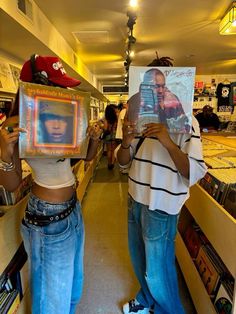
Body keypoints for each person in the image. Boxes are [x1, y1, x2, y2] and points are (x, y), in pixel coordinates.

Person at [0, 54, 102, 314]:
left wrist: (93, 138)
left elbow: (87, 157)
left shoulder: (67, 116)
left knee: (72, 288)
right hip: (47, 216)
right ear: (37, 85)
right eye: (58, 86)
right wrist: (3, 153)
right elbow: (11, 184)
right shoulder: (15, 127)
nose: (64, 92)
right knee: (51, 301)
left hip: (72, 209)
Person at [116, 64, 207, 314]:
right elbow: (123, 164)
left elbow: (195, 172)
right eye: (151, 85)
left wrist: (168, 142)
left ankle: (170, 310)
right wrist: (125, 142)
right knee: (138, 258)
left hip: (162, 204)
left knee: (157, 269)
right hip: (136, 197)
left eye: (162, 85)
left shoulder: (188, 120)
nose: (157, 90)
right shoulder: (136, 116)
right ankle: (146, 300)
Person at [128, 68, 190, 133]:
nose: (160, 91)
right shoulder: (135, 100)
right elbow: (134, 128)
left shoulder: (172, 100)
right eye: (156, 86)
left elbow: (185, 126)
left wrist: (165, 110)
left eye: (163, 86)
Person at [102, 104, 118, 170]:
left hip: (108, 136)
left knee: (109, 150)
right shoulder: (116, 118)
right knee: (113, 150)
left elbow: (106, 129)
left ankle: (109, 164)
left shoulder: (106, 119)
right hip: (114, 135)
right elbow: (117, 127)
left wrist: (101, 126)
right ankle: (113, 163)